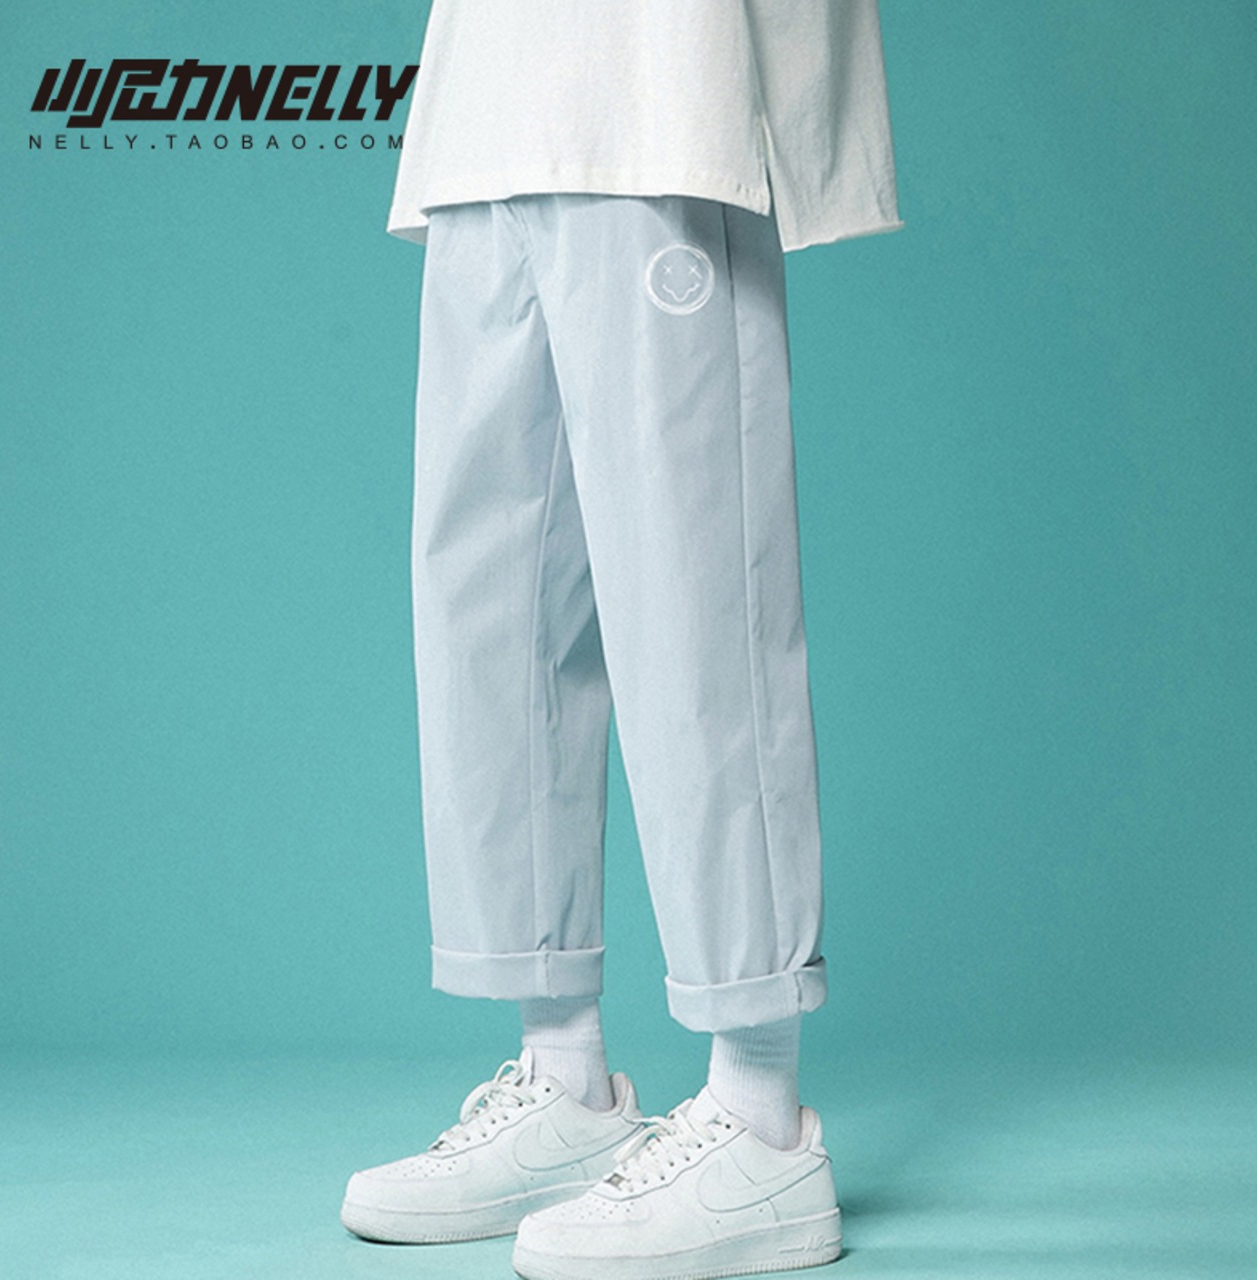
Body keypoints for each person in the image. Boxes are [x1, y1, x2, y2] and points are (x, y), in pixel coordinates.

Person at [340, 2, 901, 1276]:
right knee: (488, 599)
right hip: (484, 103)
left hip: (665, 86)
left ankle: (758, 1114)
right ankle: (564, 1082)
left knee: (697, 592)